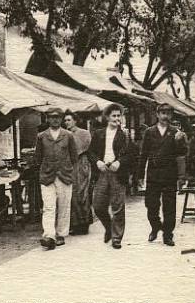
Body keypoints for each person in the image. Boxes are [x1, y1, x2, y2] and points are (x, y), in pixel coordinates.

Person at [136, 103, 187, 247]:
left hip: (170, 175)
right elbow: (143, 154)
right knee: (151, 205)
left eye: (168, 113)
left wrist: (180, 141)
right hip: (153, 174)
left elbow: (182, 154)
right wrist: (140, 176)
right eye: (162, 113)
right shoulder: (149, 132)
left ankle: (168, 235)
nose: (165, 116)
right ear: (157, 115)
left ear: (171, 116)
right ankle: (155, 226)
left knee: (169, 207)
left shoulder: (176, 132)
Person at [88, 103, 136, 249]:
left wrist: (120, 163)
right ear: (107, 117)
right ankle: (109, 227)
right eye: (114, 116)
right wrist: (97, 162)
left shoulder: (125, 135)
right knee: (98, 206)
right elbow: (90, 152)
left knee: (118, 207)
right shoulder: (98, 133)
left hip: (117, 173)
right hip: (102, 173)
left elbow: (132, 154)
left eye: (119, 116)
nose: (117, 118)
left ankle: (116, 238)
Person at [34, 107, 77, 250]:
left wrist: (70, 172)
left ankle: (60, 234)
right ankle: (49, 235)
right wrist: (43, 170)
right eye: (52, 117)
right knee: (48, 206)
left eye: (58, 117)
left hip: (64, 175)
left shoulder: (68, 135)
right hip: (47, 176)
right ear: (47, 119)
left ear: (61, 119)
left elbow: (74, 157)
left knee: (64, 206)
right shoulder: (41, 136)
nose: (55, 119)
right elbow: (38, 158)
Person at [64, 110, 93, 235]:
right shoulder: (64, 134)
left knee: (83, 193)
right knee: (73, 194)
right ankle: (75, 224)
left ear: (75, 121)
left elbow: (87, 149)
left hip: (82, 164)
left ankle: (84, 223)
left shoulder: (84, 133)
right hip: (70, 166)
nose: (66, 122)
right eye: (65, 120)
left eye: (69, 120)